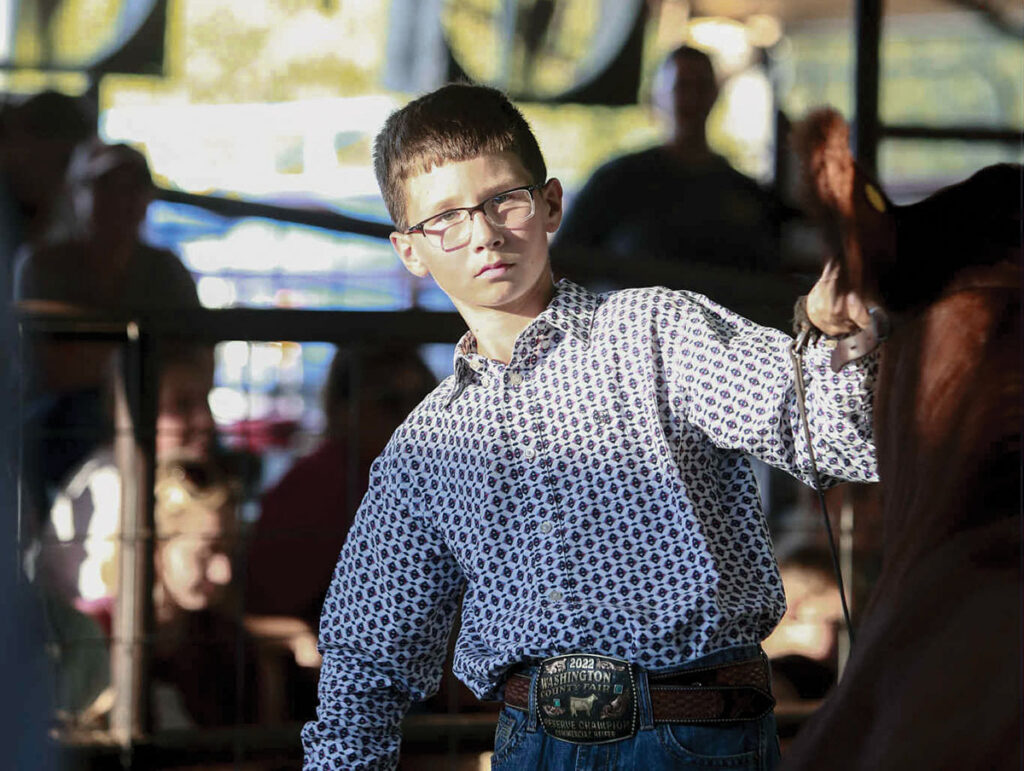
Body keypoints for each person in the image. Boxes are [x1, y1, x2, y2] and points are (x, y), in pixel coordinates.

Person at [301, 83, 877, 770]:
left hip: (694, 739)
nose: (483, 233)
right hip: (533, 743)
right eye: (446, 218)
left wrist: (842, 345)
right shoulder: (426, 447)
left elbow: (836, 436)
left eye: (503, 201)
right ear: (410, 251)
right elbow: (364, 657)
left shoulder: (656, 331)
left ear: (550, 204)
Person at [15, 139, 199, 521]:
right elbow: (44, 368)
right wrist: (136, 358)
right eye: (106, 187)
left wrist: (110, 360)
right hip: (63, 427)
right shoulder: (42, 266)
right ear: (77, 194)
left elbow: (196, 362)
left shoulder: (167, 270)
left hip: (156, 417)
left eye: (133, 188)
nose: (121, 200)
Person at [552, 45, 782, 276]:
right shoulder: (618, 181)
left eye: (701, 86)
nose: (692, 98)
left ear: (715, 95)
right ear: (656, 97)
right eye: (682, 86)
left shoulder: (746, 193)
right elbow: (563, 265)